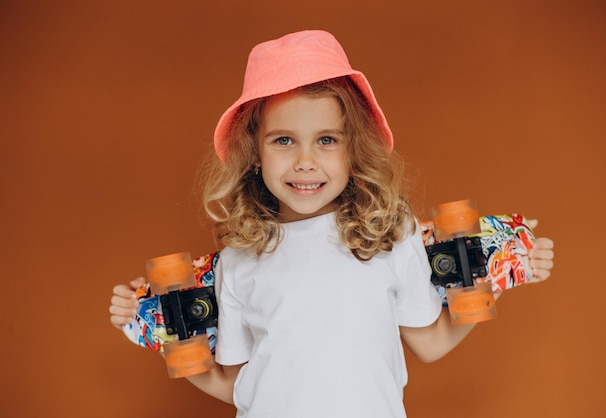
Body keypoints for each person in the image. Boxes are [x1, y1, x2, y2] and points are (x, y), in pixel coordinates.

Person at [109, 30, 555, 417]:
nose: (306, 162)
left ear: (352, 149)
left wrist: (503, 267)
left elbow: (431, 342)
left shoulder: (389, 233)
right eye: (284, 140)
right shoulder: (240, 259)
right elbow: (235, 384)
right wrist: (160, 327)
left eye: (326, 140)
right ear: (254, 153)